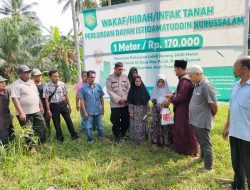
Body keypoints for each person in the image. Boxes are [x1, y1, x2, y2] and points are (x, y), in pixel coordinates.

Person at [222, 56, 250, 190]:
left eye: (235, 66)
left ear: (245, 69)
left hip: (248, 137)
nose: (233, 69)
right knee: (236, 165)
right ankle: (238, 186)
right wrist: (227, 126)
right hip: (235, 134)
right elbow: (232, 107)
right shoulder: (235, 86)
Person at [164, 60, 198, 156]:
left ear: (179, 68)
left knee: (185, 129)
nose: (175, 71)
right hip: (183, 108)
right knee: (180, 128)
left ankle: (189, 151)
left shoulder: (185, 80)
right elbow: (179, 93)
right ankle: (182, 149)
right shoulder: (184, 79)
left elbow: (181, 96)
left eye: (175, 69)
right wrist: (172, 94)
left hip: (184, 109)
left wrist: (169, 101)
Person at [187, 65, 218, 172]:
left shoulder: (206, 86)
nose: (190, 79)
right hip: (196, 120)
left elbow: (213, 105)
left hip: (202, 120)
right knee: (200, 141)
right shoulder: (197, 84)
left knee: (206, 144)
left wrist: (211, 116)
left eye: (191, 76)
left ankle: (209, 167)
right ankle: (202, 158)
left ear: (197, 74)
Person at [11, 65, 46, 154]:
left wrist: (41, 106)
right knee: (28, 130)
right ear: (20, 74)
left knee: (42, 126)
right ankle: (31, 148)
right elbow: (15, 99)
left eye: (29, 72)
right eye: (26, 72)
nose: (29, 74)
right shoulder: (16, 84)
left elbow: (37, 95)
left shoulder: (32, 83)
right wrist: (21, 112)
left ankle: (41, 142)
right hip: (25, 113)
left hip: (36, 110)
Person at [43, 69, 79, 143]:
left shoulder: (62, 84)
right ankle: (60, 139)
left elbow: (65, 95)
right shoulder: (47, 86)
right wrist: (48, 110)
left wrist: (69, 105)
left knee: (69, 121)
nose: (57, 77)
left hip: (63, 104)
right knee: (56, 123)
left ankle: (74, 136)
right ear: (50, 77)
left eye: (58, 76)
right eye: (55, 76)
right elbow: (46, 99)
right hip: (54, 106)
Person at [106, 62, 130, 144]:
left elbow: (129, 89)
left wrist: (125, 98)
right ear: (115, 69)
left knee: (125, 120)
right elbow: (109, 91)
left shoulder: (125, 78)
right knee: (115, 121)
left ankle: (123, 134)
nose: (121, 71)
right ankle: (116, 136)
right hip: (115, 104)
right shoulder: (109, 78)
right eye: (119, 69)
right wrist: (118, 99)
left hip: (124, 104)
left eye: (122, 69)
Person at [80, 70, 107, 142]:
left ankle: (101, 136)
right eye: (91, 77)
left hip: (98, 110)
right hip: (88, 111)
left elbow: (101, 97)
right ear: (88, 78)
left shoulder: (98, 86)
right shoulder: (83, 88)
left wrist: (103, 108)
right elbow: (82, 100)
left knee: (100, 125)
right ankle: (90, 140)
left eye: (94, 77)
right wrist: (84, 112)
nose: (93, 79)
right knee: (88, 126)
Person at [150, 74, 172, 150]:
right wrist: (157, 106)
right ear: (156, 82)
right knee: (155, 125)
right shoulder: (154, 90)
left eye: (162, 81)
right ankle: (155, 142)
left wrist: (166, 103)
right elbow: (153, 100)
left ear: (165, 82)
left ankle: (166, 143)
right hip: (156, 111)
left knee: (165, 126)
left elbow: (170, 101)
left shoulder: (168, 91)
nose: (160, 83)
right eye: (159, 81)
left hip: (165, 111)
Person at [127, 75, 150, 143]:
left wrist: (147, 111)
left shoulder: (144, 90)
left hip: (143, 110)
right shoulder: (132, 90)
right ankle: (134, 139)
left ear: (141, 81)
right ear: (134, 82)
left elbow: (147, 101)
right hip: (134, 110)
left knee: (142, 124)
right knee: (134, 124)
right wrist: (131, 111)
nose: (137, 82)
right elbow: (130, 102)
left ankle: (142, 139)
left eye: (139, 81)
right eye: (136, 81)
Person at [0, 76, 15, 145]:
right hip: (1, 121)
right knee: (4, 139)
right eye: (1, 82)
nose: (4, 83)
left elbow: (7, 104)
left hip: (7, 117)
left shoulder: (7, 92)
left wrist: (10, 114)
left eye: (4, 82)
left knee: (12, 135)